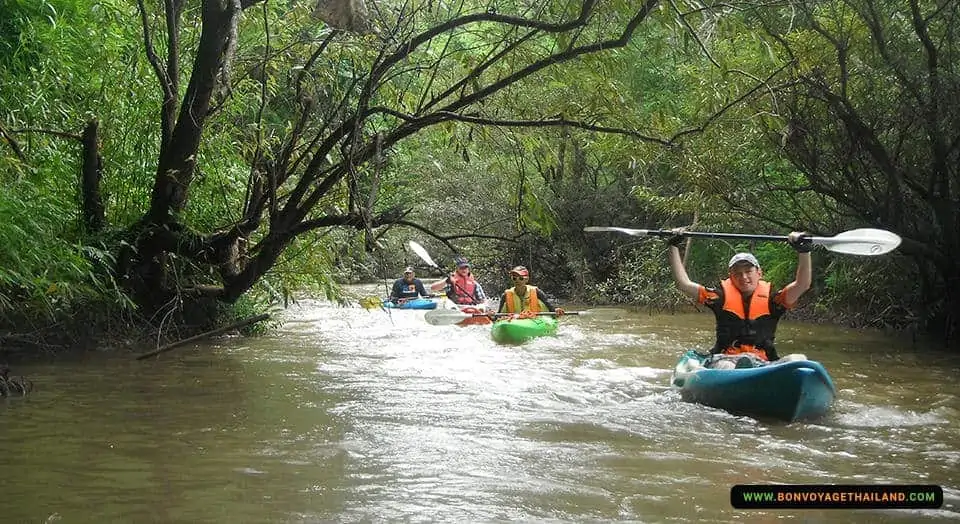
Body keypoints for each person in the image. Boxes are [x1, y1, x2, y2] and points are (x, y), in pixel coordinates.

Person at [667, 231, 812, 369]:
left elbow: (802, 284)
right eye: (737, 273)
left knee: (799, 359)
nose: (743, 277)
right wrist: (673, 246)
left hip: (763, 363)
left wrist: (804, 251)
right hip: (725, 360)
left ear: (759, 273)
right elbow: (684, 284)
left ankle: (755, 373)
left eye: (748, 271)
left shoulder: (774, 300)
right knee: (727, 366)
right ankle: (740, 374)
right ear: (731, 277)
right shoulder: (720, 298)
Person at [496, 266, 564, 315]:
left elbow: (550, 308)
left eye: (521, 278)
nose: (517, 281)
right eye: (514, 278)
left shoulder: (537, 292)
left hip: (533, 320)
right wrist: (491, 316)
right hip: (513, 321)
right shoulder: (506, 295)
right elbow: (498, 315)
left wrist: (556, 310)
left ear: (527, 279)